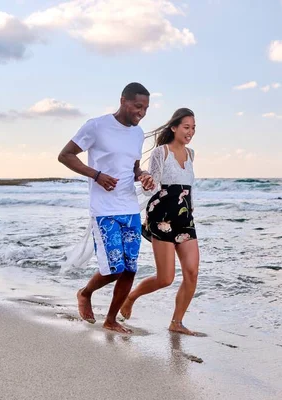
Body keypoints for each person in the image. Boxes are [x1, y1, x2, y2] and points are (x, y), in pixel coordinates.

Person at [58, 82, 155, 334]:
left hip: (130, 207)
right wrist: (97, 175)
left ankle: (110, 319)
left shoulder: (137, 133)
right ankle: (85, 293)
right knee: (113, 268)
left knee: (130, 269)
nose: (141, 112)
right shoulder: (96, 126)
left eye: (145, 108)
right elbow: (66, 155)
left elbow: (132, 169)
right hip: (104, 209)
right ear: (123, 101)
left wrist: (142, 175)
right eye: (137, 106)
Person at [119, 108, 200, 336]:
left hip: (185, 219)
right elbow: (154, 184)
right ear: (174, 127)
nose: (190, 132)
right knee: (165, 278)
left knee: (192, 272)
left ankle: (177, 322)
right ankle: (131, 297)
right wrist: (146, 183)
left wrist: (191, 211)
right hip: (162, 218)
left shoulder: (191, 154)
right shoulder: (161, 152)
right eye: (186, 127)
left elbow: (189, 187)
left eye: (193, 128)